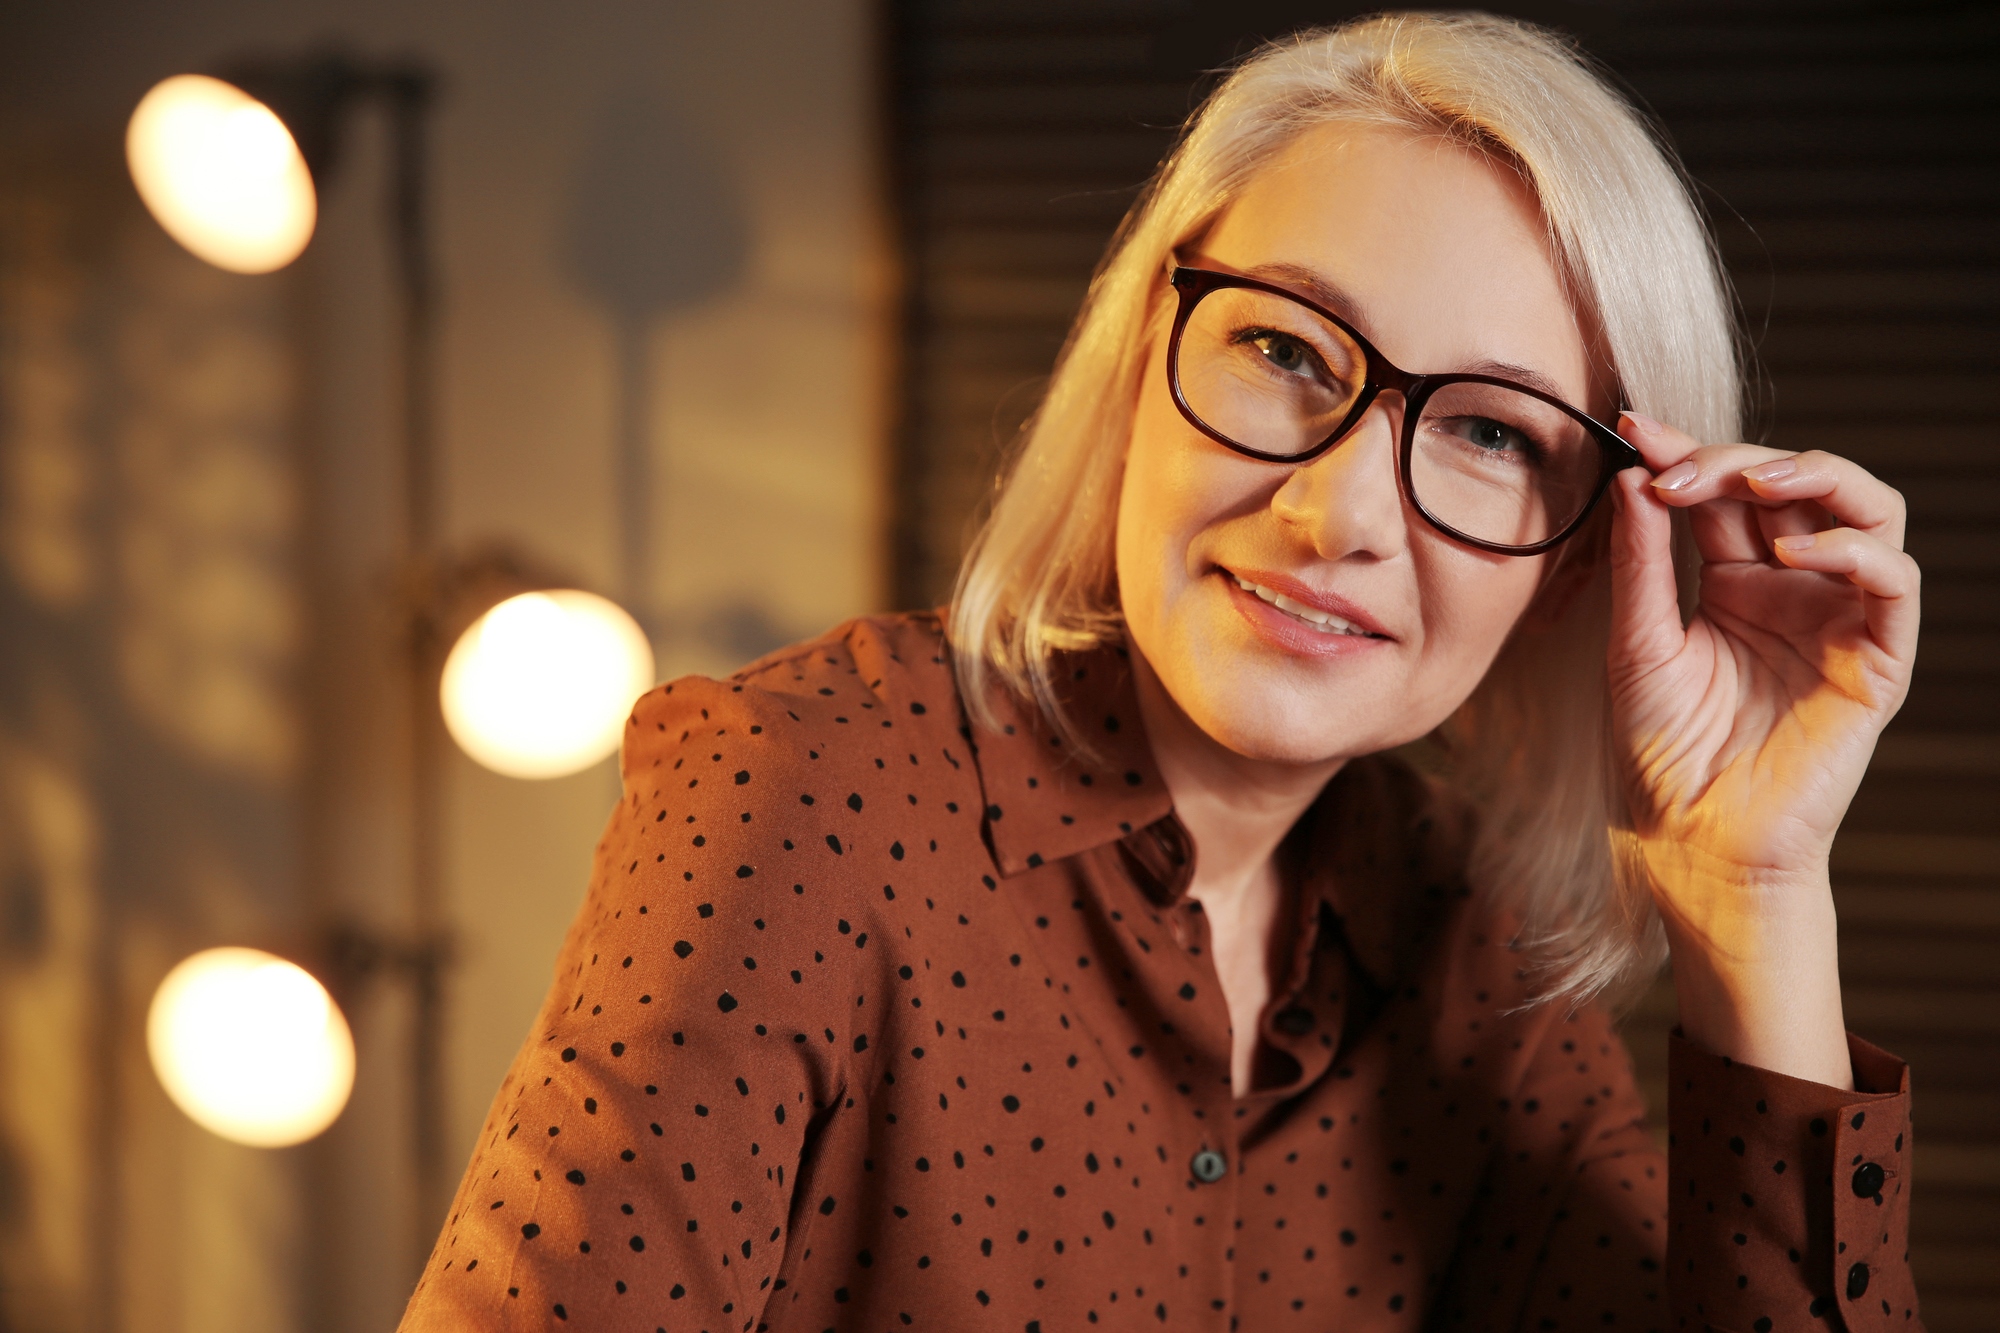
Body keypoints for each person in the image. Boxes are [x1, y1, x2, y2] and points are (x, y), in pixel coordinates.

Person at [399, 13, 1923, 1331]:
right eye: (1284, 351)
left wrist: (1757, 891)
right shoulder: (809, 795)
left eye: (1489, 432)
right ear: (1144, 356)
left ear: (1585, 555)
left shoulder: (1479, 965)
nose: (1334, 515)